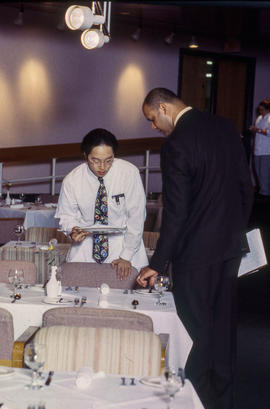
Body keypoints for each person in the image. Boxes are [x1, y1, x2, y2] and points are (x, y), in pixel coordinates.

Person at [137, 88, 253, 409]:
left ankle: (197, 399)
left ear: (164, 108)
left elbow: (176, 212)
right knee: (224, 326)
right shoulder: (226, 127)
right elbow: (246, 187)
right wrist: (233, 231)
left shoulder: (175, 144)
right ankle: (223, 398)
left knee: (196, 329)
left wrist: (158, 263)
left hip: (195, 254)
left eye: (152, 119)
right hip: (230, 248)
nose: (153, 127)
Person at [56, 128, 148, 279]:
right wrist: (72, 230)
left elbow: (136, 217)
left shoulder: (129, 173)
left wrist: (127, 255)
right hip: (85, 248)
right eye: (95, 160)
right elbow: (66, 216)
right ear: (85, 156)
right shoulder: (71, 180)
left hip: (123, 245)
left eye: (108, 160)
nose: (102, 167)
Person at [249, 99, 270, 197]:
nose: (260, 112)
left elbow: (268, 132)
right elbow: (258, 132)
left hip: (267, 151)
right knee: (257, 171)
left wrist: (257, 130)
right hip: (258, 150)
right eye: (259, 110)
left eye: (262, 110)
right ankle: (262, 191)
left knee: (264, 173)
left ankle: (265, 193)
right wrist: (254, 130)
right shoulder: (259, 118)